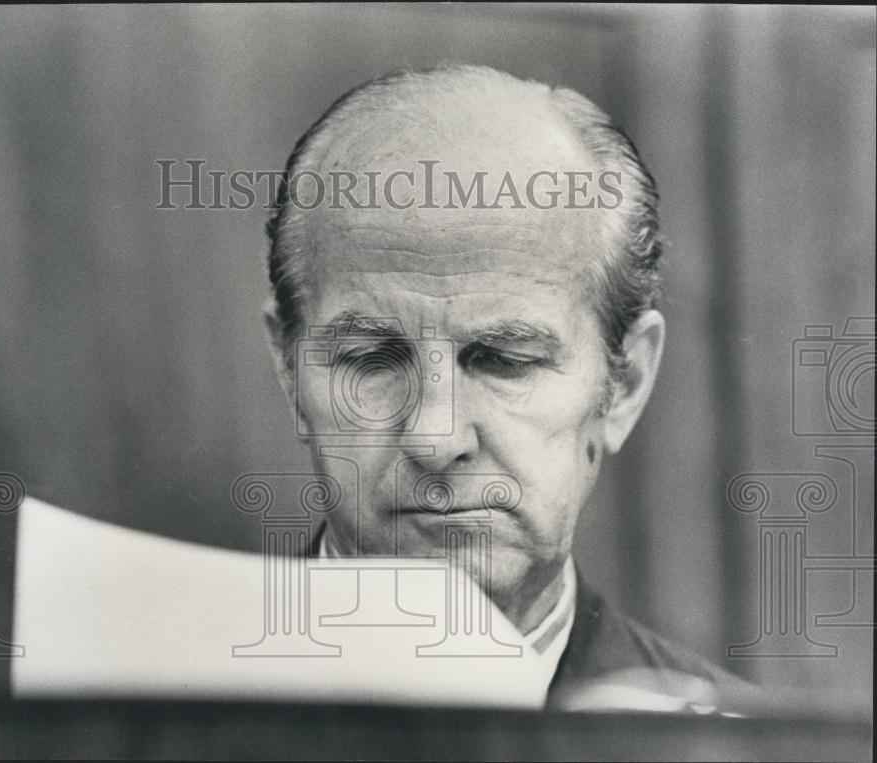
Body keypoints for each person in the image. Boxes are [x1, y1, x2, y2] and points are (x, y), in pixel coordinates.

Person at [262, 64, 754, 711]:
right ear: (290, 367)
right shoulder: (115, 726)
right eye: (373, 358)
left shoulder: (751, 751)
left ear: (624, 382)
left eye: (502, 359)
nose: (435, 437)